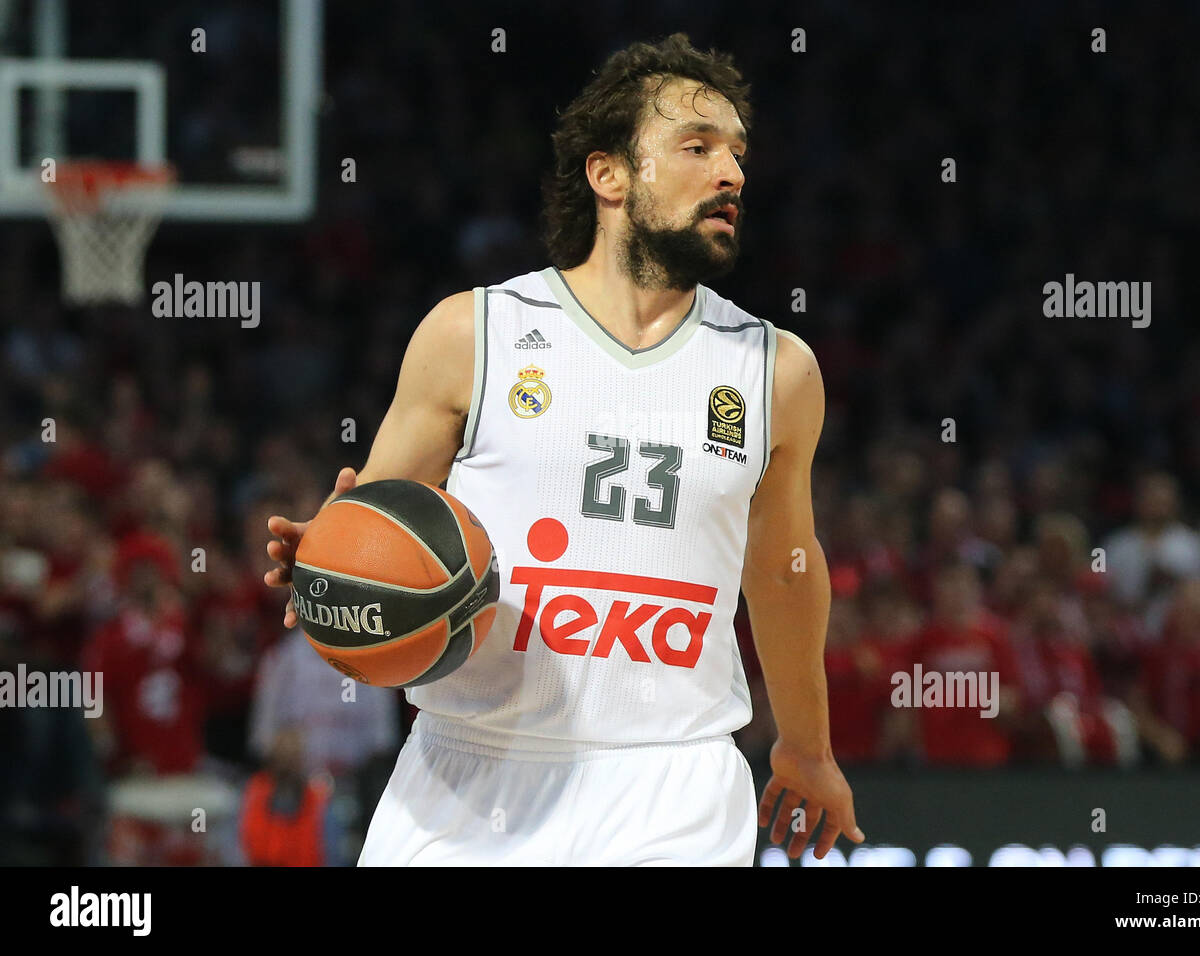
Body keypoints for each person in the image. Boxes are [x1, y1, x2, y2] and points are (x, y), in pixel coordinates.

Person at [265, 33, 862, 865]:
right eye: (697, 147)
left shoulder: (776, 370)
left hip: (672, 784)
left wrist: (806, 746)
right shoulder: (473, 334)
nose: (731, 173)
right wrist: (329, 568)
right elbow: (373, 541)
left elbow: (783, 567)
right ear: (608, 173)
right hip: (467, 773)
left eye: (736, 154)